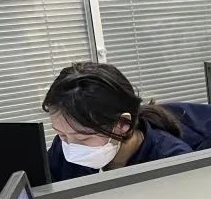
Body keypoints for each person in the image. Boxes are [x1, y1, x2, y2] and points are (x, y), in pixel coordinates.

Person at [43, 62, 193, 181]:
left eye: (83, 138)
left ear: (122, 124)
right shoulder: (64, 146)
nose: (70, 147)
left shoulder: (172, 162)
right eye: (61, 134)